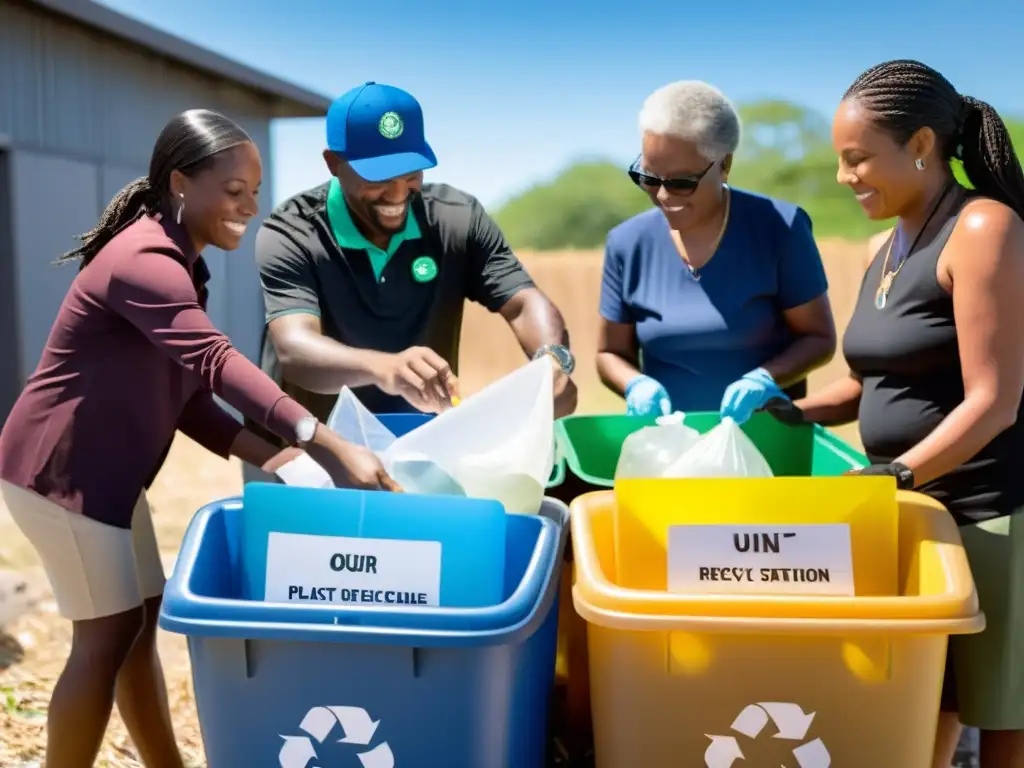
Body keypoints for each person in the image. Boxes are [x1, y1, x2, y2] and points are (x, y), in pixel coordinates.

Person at [0, 109, 400, 768]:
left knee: (137, 624)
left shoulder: (183, 263)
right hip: (61, 474)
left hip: (108, 477)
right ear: (182, 183)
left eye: (255, 190)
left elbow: (188, 399)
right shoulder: (145, 261)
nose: (249, 206)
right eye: (233, 190)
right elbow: (217, 364)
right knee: (104, 637)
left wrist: (285, 459)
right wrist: (325, 439)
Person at [769, 59, 1024, 768]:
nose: (847, 177)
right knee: (927, 702)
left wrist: (899, 475)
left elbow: (994, 400)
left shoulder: (982, 228)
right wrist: (788, 411)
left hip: (989, 512)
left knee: (1000, 712)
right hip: (913, 514)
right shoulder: (886, 248)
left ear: (918, 145)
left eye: (858, 159)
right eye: (840, 162)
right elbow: (865, 385)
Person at [253, 81, 577, 435]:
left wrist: (552, 361)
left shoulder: (455, 219)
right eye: (377, 177)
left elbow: (524, 302)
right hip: (305, 440)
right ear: (333, 163)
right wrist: (385, 368)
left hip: (421, 436)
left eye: (410, 175)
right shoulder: (293, 231)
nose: (396, 195)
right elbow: (295, 350)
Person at [596, 80, 836, 425]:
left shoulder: (780, 228)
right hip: (668, 445)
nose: (663, 195)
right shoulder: (626, 243)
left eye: (681, 182)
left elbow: (818, 338)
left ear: (724, 164)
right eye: (648, 177)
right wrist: (634, 384)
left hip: (763, 444)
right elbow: (609, 353)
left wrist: (764, 379)